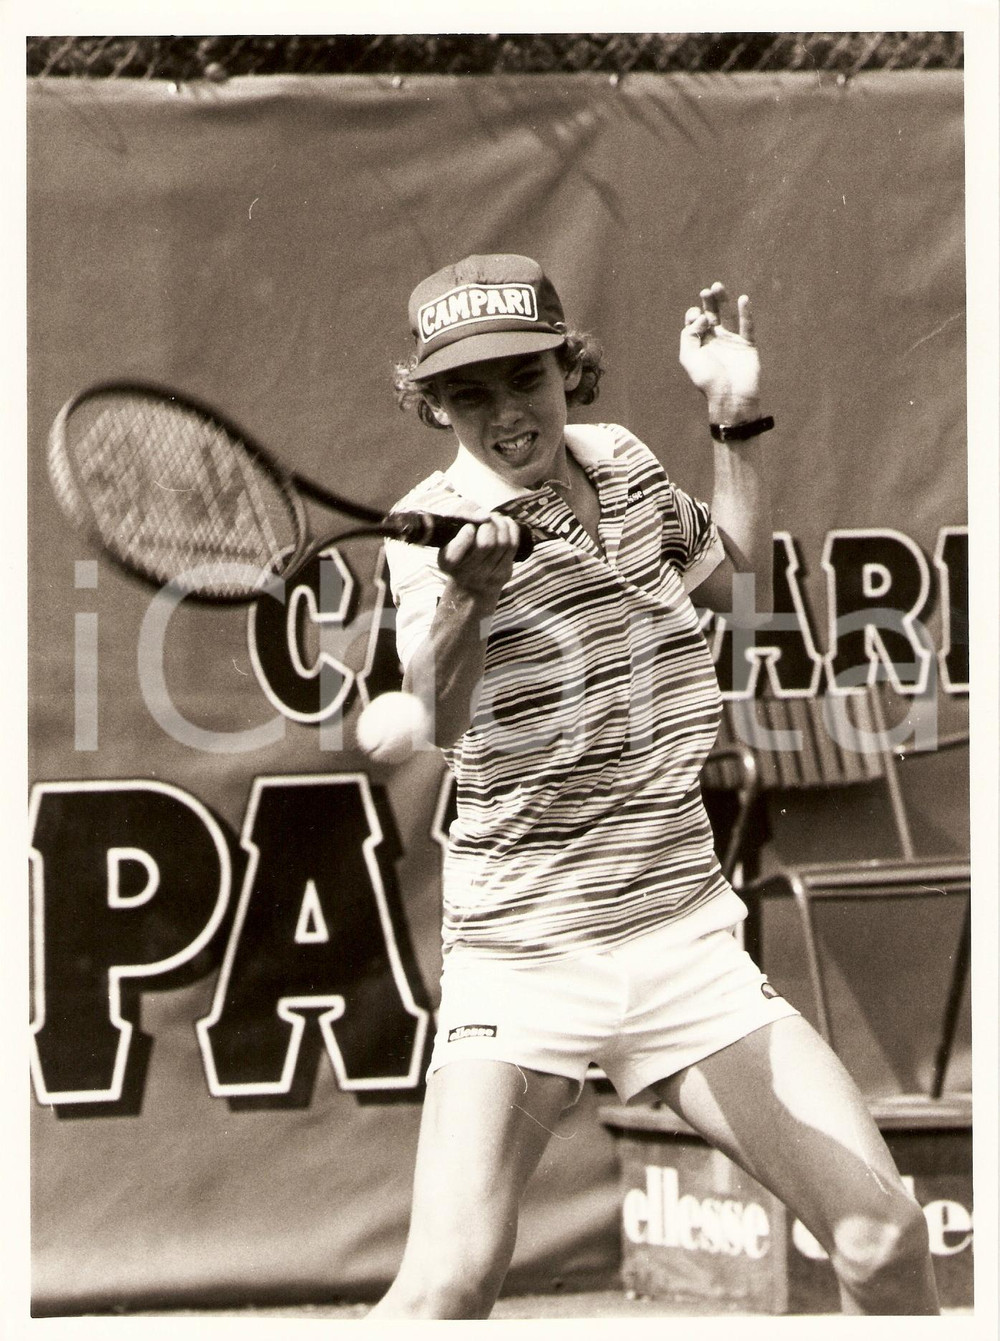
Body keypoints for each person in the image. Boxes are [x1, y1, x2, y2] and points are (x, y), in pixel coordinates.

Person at [369, 253, 939, 1318]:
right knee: (449, 1282)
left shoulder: (624, 463)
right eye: (470, 393)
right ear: (434, 403)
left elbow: (736, 588)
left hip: (681, 939)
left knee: (883, 1239)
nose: (507, 413)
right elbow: (437, 718)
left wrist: (732, 417)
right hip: (525, 956)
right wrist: (468, 600)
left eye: (526, 377)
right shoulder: (429, 530)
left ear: (567, 369)